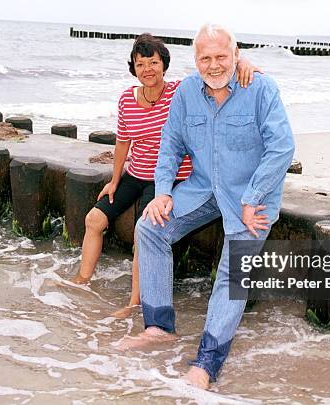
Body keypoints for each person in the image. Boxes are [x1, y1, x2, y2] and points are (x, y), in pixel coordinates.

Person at [117, 24, 295, 389]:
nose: (213, 65)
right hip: (203, 188)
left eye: (221, 57)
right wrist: (163, 192)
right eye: (205, 58)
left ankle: (208, 362)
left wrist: (252, 197)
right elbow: (170, 145)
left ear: (236, 55)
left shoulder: (261, 87)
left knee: (233, 270)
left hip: (252, 198)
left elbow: (282, 149)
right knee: (150, 227)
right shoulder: (186, 93)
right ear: (194, 60)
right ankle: (158, 326)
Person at [69, 33, 261, 318]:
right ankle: (81, 282)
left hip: (169, 179)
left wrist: (243, 60)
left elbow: (212, 71)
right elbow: (123, 142)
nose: (147, 69)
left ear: (164, 65)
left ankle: (135, 302)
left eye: (153, 62)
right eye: (140, 63)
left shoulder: (179, 92)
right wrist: (114, 179)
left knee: (143, 232)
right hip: (136, 174)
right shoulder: (126, 100)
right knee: (94, 219)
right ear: (133, 68)